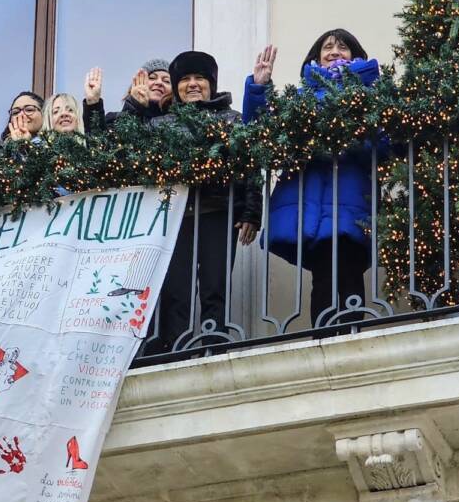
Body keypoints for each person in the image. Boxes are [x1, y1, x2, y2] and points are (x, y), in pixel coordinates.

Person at [242, 29, 381, 326]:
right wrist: (258, 88)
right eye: (327, 47)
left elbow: (384, 147)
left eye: (342, 48)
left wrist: (349, 134)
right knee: (323, 279)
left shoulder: (371, 93)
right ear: (316, 57)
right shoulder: (301, 98)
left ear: (355, 56)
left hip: (352, 203)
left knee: (348, 272)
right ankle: (325, 342)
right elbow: (259, 134)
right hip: (311, 210)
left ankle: (349, 338)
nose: (334, 52)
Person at [151, 51, 261, 353]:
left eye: (199, 78)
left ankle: (214, 346)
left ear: (211, 84)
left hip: (219, 213)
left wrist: (252, 211)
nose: (193, 84)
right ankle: (176, 349)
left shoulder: (232, 119)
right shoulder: (160, 126)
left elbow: (251, 165)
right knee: (176, 289)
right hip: (175, 217)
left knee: (215, 286)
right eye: (185, 79)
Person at [82, 59, 173, 134]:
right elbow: (98, 147)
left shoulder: (179, 124)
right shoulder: (114, 120)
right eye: (152, 78)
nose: (159, 83)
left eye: (166, 81)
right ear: (137, 82)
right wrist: (93, 104)